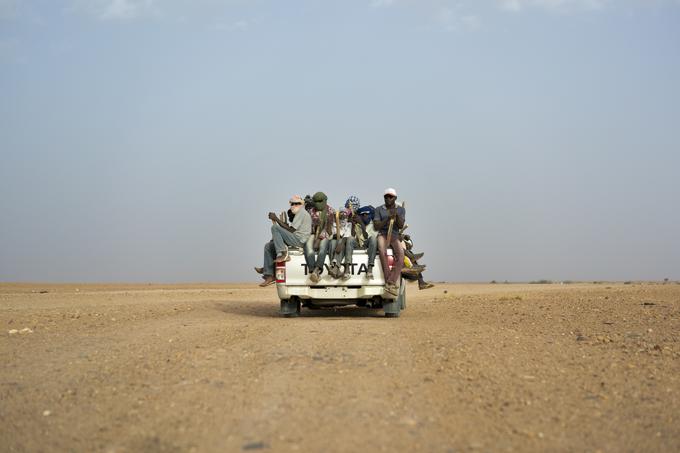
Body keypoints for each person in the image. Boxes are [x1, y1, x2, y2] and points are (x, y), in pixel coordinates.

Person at [256, 195, 311, 287]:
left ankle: (282, 253)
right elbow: (290, 229)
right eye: (292, 204)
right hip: (295, 238)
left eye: (296, 204)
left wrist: (276, 219)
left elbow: (291, 230)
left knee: (275, 228)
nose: (293, 206)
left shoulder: (302, 212)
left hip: (299, 240)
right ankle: (269, 273)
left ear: (301, 205)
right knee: (268, 246)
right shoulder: (299, 213)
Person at [374, 188, 406, 295]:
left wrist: (396, 215)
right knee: (383, 253)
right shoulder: (379, 209)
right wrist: (387, 218)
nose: (388, 199)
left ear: (395, 198)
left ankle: (391, 281)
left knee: (401, 255)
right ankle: (390, 281)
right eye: (386, 197)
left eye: (390, 197)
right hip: (382, 234)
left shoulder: (400, 209)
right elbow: (376, 226)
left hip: (394, 235)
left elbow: (401, 225)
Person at [305, 192, 337, 283]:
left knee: (322, 248)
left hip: (326, 235)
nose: (318, 203)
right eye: (316, 201)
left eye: (320, 201)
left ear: (325, 201)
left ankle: (317, 269)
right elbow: (308, 225)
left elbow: (330, 228)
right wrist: (315, 225)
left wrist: (319, 238)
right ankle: (312, 269)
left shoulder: (331, 211)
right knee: (308, 247)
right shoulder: (311, 211)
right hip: (313, 233)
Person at [328, 196, 360, 280]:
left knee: (347, 240)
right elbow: (332, 235)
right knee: (334, 243)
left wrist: (354, 223)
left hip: (352, 242)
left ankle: (346, 268)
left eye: (345, 215)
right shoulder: (335, 224)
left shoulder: (353, 221)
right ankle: (335, 267)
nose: (343, 216)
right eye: (341, 214)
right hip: (343, 243)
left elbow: (350, 235)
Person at [355, 205, 378, 279]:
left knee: (373, 239)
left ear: (370, 215)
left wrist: (361, 224)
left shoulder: (375, 225)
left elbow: (366, 237)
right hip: (358, 247)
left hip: (369, 245)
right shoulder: (356, 224)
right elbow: (354, 239)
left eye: (367, 214)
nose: (365, 216)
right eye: (362, 215)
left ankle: (370, 267)